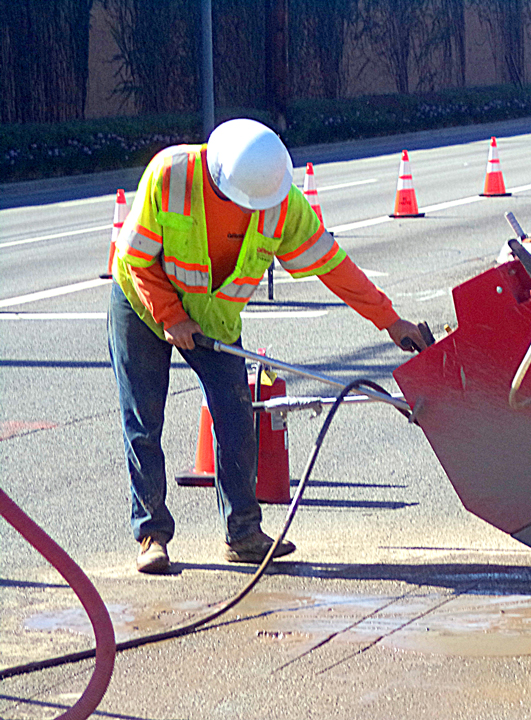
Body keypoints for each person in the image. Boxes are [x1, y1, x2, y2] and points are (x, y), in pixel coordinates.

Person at [108, 118, 425, 574]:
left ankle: (243, 534)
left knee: (237, 417)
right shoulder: (170, 174)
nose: (247, 211)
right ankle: (151, 534)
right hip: (141, 303)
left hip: (213, 317)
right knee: (143, 418)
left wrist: (391, 321)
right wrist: (171, 315)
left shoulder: (278, 200)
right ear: (216, 177)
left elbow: (332, 265)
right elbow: (135, 257)